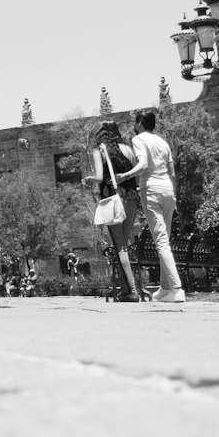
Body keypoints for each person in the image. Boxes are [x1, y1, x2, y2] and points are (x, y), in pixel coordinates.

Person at [120, 109, 184, 303]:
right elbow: (172, 172)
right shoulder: (163, 142)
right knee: (165, 238)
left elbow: (143, 163)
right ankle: (165, 289)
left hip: (152, 189)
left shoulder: (139, 139)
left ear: (139, 123)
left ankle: (177, 288)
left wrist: (126, 175)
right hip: (168, 190)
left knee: (161, 240)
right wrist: (174, 195)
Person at [90, 120, 143, 302]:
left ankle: (133, 291)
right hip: (132, 199)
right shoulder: (127, 149)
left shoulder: (99, 151)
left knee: (120, 246)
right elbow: (137, 172)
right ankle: (126, 290)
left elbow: (98, 177)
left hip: (114, 200)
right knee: (124, 246)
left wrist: (90, 180)